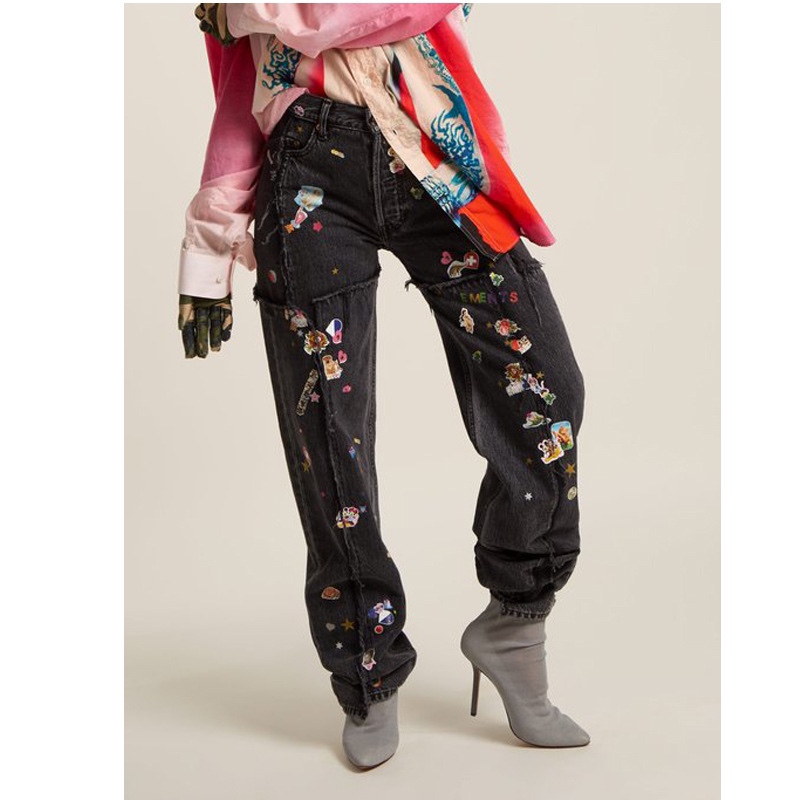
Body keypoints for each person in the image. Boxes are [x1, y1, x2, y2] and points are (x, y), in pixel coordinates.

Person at [178, 3, 590, 769]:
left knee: (546, 393)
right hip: (307, 165)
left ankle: (516, 623)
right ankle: (366, 670)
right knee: (329, 440)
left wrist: (248, 10)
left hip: (428, 147)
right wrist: (208, 247)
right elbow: (241, 91)